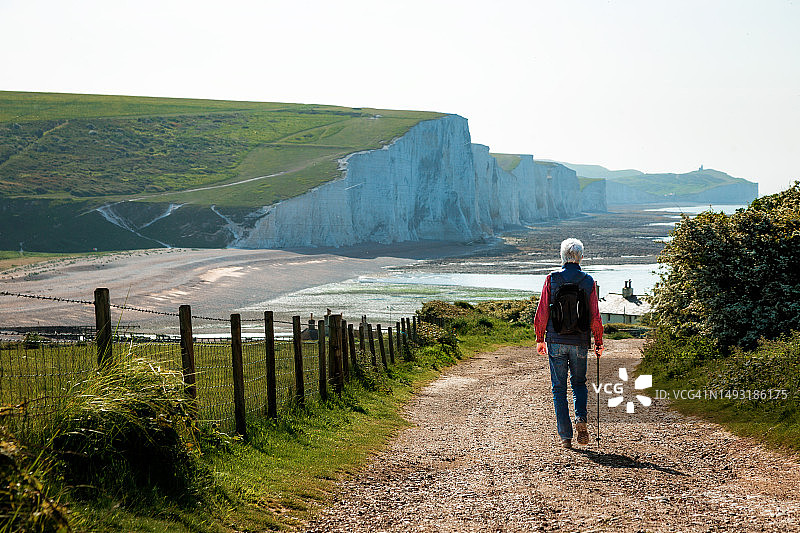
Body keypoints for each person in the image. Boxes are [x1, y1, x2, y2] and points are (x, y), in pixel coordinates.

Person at [534, 238, 604, 449]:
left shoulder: (551, 279)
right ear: (580, 257)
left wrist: (540, 338)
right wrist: (598, 341)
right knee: (579, 384)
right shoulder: (588, 281)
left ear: (562, 257)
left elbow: (542, 312)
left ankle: (566, 437)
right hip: (580, 341)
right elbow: (595, 315)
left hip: (555, 341)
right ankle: (581, 418)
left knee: (558, 389)